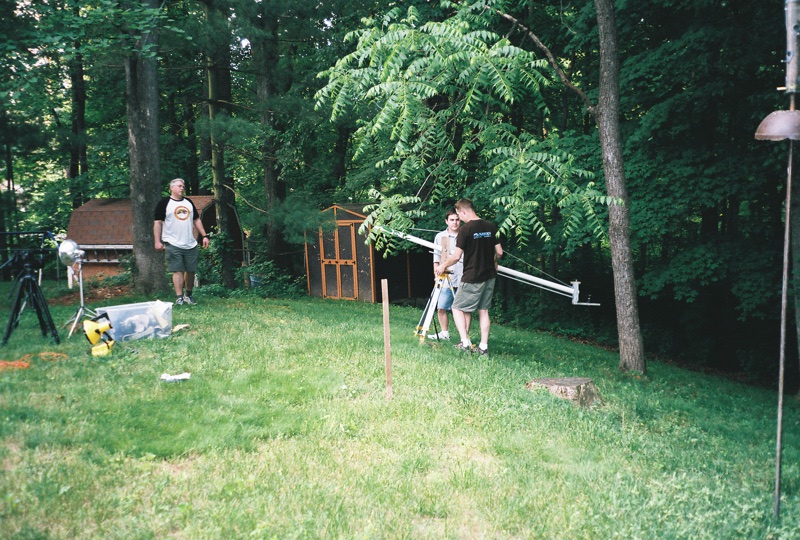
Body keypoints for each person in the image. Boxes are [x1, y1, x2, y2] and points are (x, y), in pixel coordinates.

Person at [435, 198, 503, 356]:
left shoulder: (465, 230)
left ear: (463, 211)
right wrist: (492, 261)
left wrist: (442, 265)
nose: (460, 219)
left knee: (456, 307)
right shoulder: (491, 226)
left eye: (459, 215)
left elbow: (456, 256)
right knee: (483, 310)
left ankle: (465, 342)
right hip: (489, 275)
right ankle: (484, 347)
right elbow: (499, 252)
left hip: (473, 275)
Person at [153, 178, 210, 305]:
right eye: (179, 186)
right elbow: (157, 223)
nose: (182, 188)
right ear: (171, 188)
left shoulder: (188, 202)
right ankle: (179, 297)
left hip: (190, 242)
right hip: (172, 242)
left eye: (183, 186)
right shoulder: (164, 203)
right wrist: (157, 241)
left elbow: (196, 219)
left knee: (191, 270)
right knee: (177, 269)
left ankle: (188, 295)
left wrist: (204, 235)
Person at [428, 209, 463, 341]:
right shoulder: (440, 236)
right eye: (452, 220)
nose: (455, 222)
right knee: (441, 307)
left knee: (462, 309)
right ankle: (444, 333)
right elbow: (436, 258)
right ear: (446, 221)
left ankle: (464, 337)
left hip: (462, 277)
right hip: (445, 278)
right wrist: (436, 275)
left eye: (457, 219)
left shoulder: (465, 235)